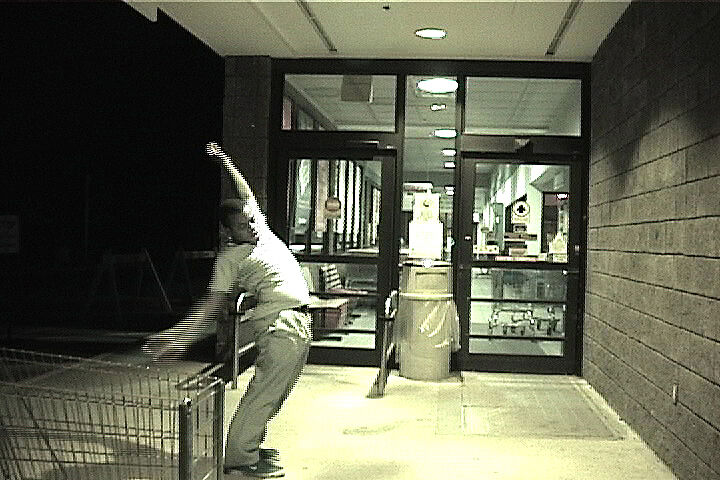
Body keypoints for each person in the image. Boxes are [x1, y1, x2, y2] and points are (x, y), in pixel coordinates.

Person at [143, 142, 312, 478]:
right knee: (263, 394)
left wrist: (225, 161)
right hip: (281, 324)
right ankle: (240, 460)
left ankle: (250, 448)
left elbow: (246, 191)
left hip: (297, 322)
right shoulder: (229, 259)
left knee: (274, 395)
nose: (250, 226)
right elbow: (212, 303)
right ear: (228, 231)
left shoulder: (262, 235)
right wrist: (177, 337)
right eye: (242, 225)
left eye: (251, 220)